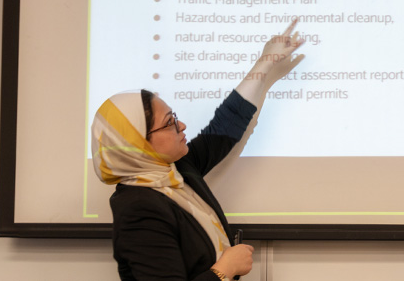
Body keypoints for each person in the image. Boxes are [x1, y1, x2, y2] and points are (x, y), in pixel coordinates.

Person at [91, 20, 305, 281]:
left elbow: (225, 125)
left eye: (175, 116)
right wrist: (225, 270)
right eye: (169, 122)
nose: (181, 125)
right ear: (139, 143)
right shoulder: (138, 208)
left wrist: (264, 64)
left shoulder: (177, 170)